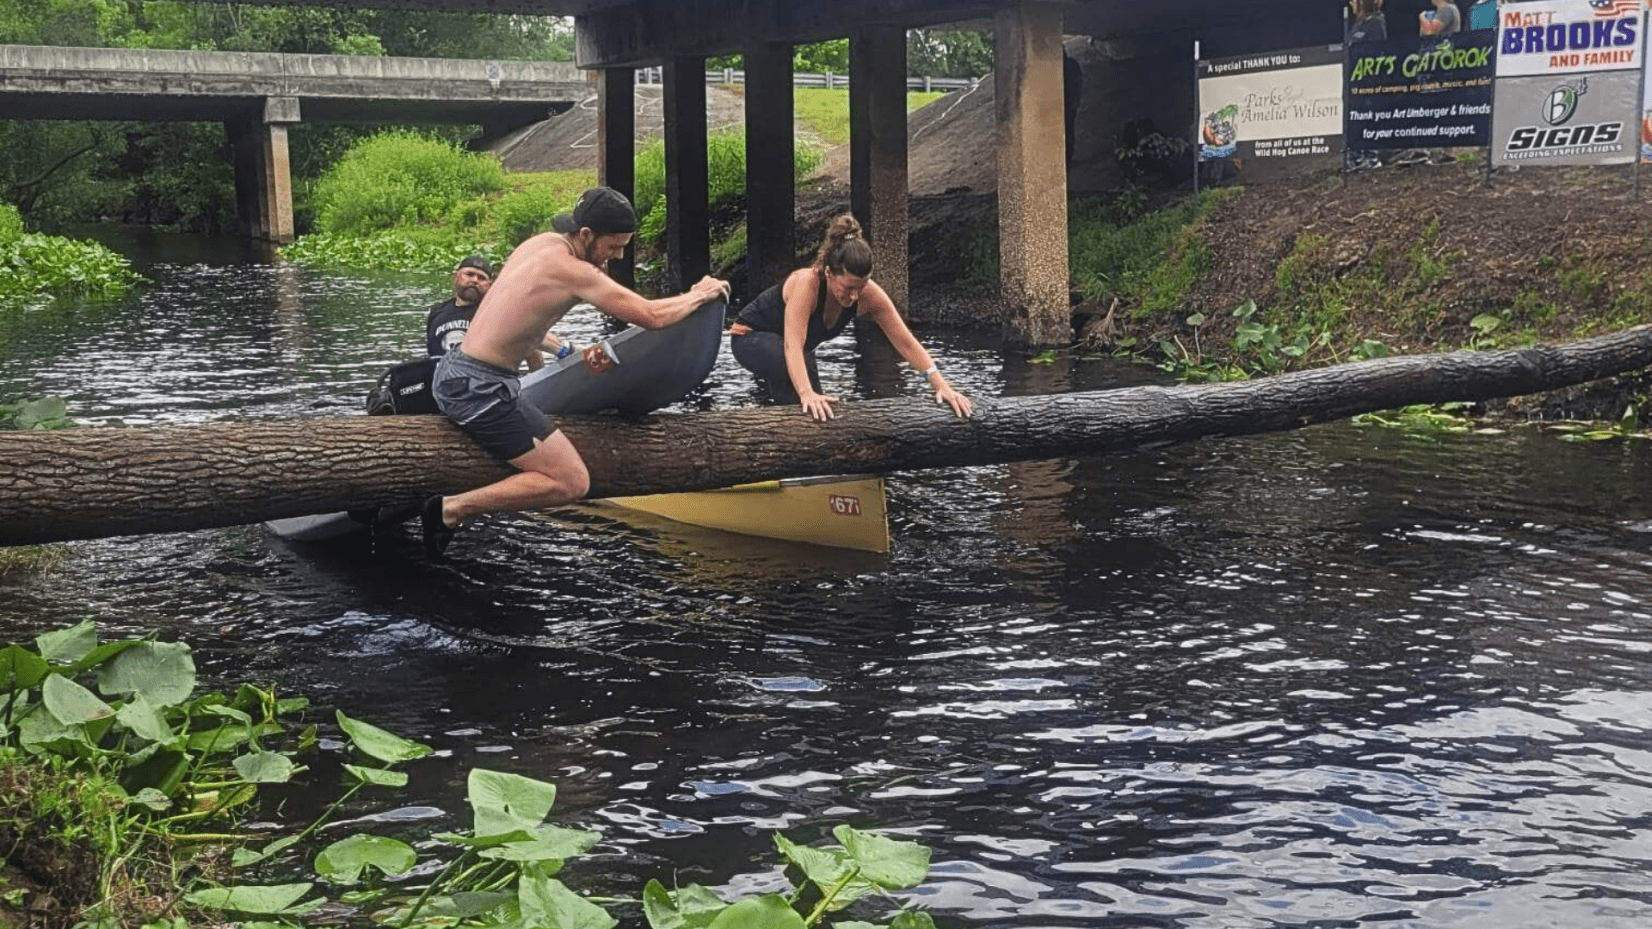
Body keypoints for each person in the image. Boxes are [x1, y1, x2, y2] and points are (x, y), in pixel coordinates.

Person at [421, 186, 730, 559]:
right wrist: (700, 294)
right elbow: (651, 316)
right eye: (614, 246)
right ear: (586, 235)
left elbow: (520, 309)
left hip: (463, 374)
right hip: (479, 388)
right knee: (571, 482)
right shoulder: (573, 271)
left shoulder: (541, 243)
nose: (617, 255)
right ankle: (450, 510)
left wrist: (532, 369)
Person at [728, 213, 972, 423]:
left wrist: (942, 385)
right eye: (847, 287)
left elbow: (906, 342)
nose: (854, 296)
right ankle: (780, 442)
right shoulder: (807, 284)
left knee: (819, 405)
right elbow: (792, 345)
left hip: (795, 349)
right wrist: (805, 393)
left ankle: (811, 457)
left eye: (861, 286)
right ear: (829, 273)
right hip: (749, 338)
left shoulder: (869, 295)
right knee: (801, 389)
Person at [426, 255, 569, 369]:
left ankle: (565, 350)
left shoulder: (495, 310)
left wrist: (539, 375)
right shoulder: (437, 312)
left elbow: (529, 340)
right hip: (444, 383)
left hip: (484, 381)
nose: (475, 280)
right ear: (457, 276)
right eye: (469, 274)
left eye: (481, 278)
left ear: (489, 286)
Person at [1345, 0, 1388, 171]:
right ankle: (1355, 158)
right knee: (1353, 119)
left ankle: (1371, 157)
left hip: (1368, 81)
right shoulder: (1357, 24)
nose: (1351, 4)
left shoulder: (1376, 22)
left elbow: (1377, 51)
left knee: (1367, 117)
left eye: (1355, 1)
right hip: (1353, 80)